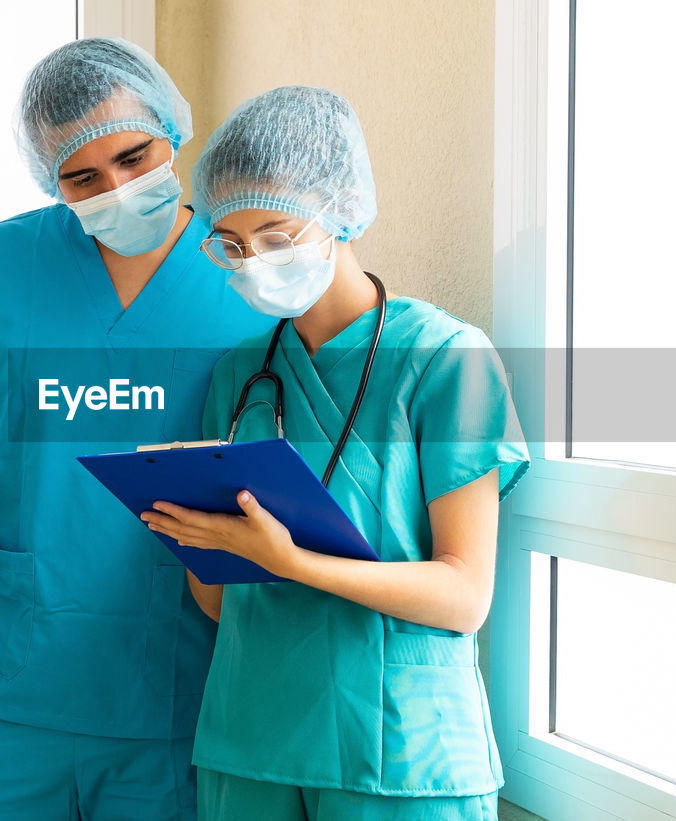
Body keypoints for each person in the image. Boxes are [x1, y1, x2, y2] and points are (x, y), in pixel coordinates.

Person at [0, 38, 272, 821]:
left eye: (134, 156)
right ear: (46, 176)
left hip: (176, 692)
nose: (118, 190)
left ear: (174, 130)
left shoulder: (247, 276)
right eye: (82, 178)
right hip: (9, 689)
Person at [140, 86, 530, 821]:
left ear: (341, 210)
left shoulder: (447, 360)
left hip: (399, 748)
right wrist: (196, 537)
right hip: (249, 742)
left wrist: (292, 561)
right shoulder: (239, 373)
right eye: (233, 244)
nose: (254, 262)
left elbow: (465, 595)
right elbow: (220, 601)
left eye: (277, 236)